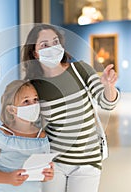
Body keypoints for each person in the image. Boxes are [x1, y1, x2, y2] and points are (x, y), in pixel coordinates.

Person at [21, 23, 120, 192]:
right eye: (44, 45)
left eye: (55, 42)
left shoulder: (80, 69)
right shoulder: (33, 86)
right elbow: (33, 127)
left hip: (87, 162)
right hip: (53, 162)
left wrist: (109, 86)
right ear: (34, 53)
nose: (52, 47)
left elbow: (107, 103)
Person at [0, 80, 54, 192]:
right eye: (26, 101)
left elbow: (40, 172)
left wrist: (47, 174)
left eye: (35, 100)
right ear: (11, 109)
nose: (33, 105)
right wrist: (8, 178)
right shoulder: (0, 136)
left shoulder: (41, 137)